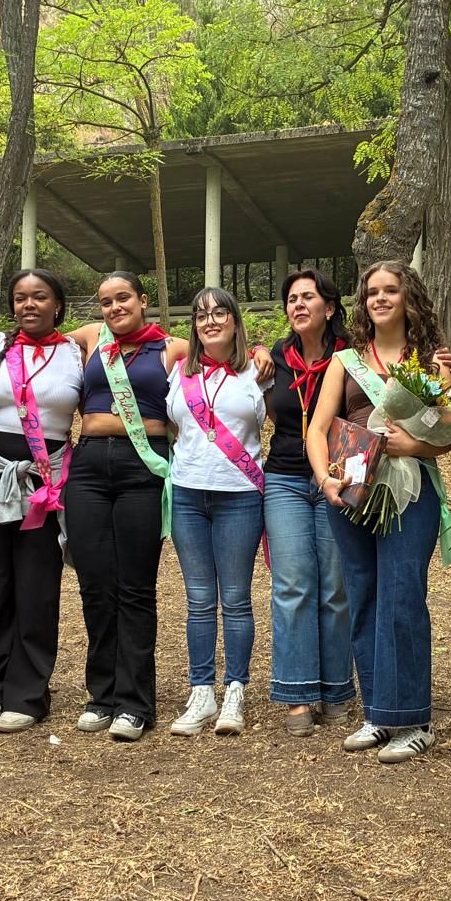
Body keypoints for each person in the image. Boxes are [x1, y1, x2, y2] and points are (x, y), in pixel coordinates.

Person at [306, 260, 451, 764]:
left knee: (402, 593)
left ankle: (412, 719)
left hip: (412, 492)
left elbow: (447, 437)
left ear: (409, 297)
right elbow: (317, 426)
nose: (380, 299)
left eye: (391, 290)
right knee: (364, 594)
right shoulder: (345, 360)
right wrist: (325, 476)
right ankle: (377, 712)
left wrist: (412, 445)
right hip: (352, 490)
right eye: (372, 292)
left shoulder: (433, 363)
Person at [0, 269, 86, 735]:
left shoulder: (78, 352)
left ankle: (29, 691)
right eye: (20, 298)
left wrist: (252, 350)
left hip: (45, 479)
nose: (29, 305)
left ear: (57, 305)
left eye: (40, 297)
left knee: (36, 582)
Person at [65, 272, 185, 742]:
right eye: (106, 302)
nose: (115, 308)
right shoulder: (93, 339)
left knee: (135, 586)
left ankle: (135, 701)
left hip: (145, 465)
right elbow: (36, 338)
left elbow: (225, 354)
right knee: (95, 583)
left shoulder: (171, 348)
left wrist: (258, 352)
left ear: (143, 300)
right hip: (89, 465)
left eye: (123, 298)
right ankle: (102, 693)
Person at [166, 287, 267, 737]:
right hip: (188, 494)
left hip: (239, 496)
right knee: (199, 600)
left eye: (219, 312)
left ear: (234, 320)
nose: (210, 321)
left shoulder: (259, 372)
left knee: (236, 599)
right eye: (201, 315)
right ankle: (201, 691)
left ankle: (235, 691)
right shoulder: (178, 372)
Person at [265, 269, 355, 737]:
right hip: (283, 480)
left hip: (339, 480)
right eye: (292, 299)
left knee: (334, 587)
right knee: (293, 584)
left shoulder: (352, 358)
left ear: (330, 307)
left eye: (308, 297)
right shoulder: (274, 358)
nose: (298, 305)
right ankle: (298, 692)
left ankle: (337, 688)